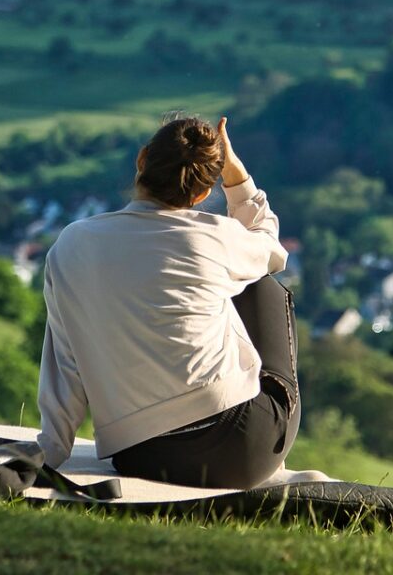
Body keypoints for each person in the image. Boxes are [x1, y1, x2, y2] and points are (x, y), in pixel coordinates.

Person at [37, 115, 301, 489]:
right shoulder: (217, 238)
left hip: (140, 456)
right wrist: (237, 177)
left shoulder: (72, 244)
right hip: (240, 451)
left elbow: (65, 358)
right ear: (201, 195)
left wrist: (52, 448)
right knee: (260, 284)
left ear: (142, 159)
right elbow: (271, 248)